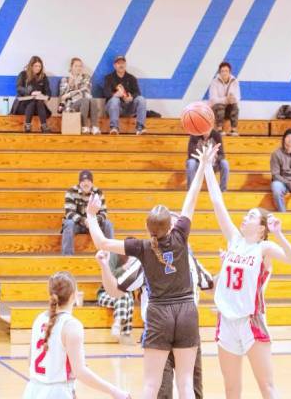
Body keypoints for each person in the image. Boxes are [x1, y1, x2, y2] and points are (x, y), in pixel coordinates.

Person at [86, 144, 217, 399]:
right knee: (187, 384)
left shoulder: (142, 248)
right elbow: (191, 199)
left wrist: (92, 216)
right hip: (188, 310)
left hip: (159, 313)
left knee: (150, 385)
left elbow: (102, 243)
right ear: (172, 226)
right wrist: (202, 166)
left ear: (148, 229)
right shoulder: (181, 237)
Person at [203, 146, 291, 398]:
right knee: (231, 388)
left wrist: (279, 234)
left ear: (261, 228)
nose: (245, 217)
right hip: (226, 320)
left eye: (252, 216)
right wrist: (206, 167)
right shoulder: (234, 240)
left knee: (266, 387)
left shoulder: (264, 247)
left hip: (251, 321)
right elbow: (216, 202)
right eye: (246, 214)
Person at [96, 211, 213, 399]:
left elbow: (210, 286)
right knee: (171, 389)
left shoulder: (190, 259)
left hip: (176, 324)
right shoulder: (149, 258)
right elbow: (117, 291)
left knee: (188, 387)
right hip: (176, 323)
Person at [23, 271, 130, 399]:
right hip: (58, 393)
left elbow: (30, 361)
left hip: (32, 391)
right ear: (74, 295)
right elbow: (81, 373)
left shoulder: (39, 319)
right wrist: (114, 391)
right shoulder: (71, 325)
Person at [61, 170, 115, 257]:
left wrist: (92, 221)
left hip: (94, 224)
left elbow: (104, 213)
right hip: (77, 224)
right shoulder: (71, 191)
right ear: (79, 183)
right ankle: (67, 257)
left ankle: (112, 256)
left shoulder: (98, 192)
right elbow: (69, 213)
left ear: (92, 183)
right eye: (83, 181)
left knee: (108, 224)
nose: (86, 184)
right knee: (69, 223)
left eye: (88, 181)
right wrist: (84, 221)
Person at [103, 55, 147, 135]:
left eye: (123, 63)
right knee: (114, 100)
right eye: (118, 63)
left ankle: (140, 127)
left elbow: (137, 92)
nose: (121, 65)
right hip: (115, 108)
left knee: (141, 99)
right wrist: (115, 94)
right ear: (114, 65)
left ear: (125, 64)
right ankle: (114, 127)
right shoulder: (108, 78)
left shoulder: (131, 78)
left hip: (128, 107)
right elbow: (105, 93)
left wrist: (131, 97)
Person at [59, 57, 100, 135]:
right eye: (76, 66)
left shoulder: (86, 77)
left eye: (80, 66)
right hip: (71, 105)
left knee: (93, 100)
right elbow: (63, 96)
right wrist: (69, 86)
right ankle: (84, 126)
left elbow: (87, 90)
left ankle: (94, 127)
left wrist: (72, 92)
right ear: (71, 67)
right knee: (85, 100)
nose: (78, 68)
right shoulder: (65, 79)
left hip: (86, 103)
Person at [13, 55, 52, 133]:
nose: (38, 68)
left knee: (38, 100)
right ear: (31, 66)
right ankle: (28, 125)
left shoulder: (43, 77)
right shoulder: (23, 74)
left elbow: (48, 92)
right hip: (23, 106)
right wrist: (31, 92)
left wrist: (43, 96)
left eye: (39, 66)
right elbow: (19, 88)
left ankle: (43, 126)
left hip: (38, 107)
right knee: (33, 100)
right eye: (36, 66)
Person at [186, 128, 230, 192]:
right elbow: (191, 154)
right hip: (199, 163)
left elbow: (222, 155)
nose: (206, 132)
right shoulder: (194, 135)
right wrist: (202, 157)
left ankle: (222, 189)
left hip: (213, 164)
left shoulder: (216, 135)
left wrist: (215, 157)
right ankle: (191, 190)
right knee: (191, 162)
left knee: (224, 163)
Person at [95, 274, 135, 343]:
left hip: (125, 297)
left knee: (128, 298)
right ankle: (124, 332)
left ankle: (118, 325)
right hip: (105, 294)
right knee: (123, 295)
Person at [209, 62, 241, 136]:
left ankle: (233, 130)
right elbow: (213, 99)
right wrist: (226, 99)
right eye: (222, 71)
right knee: (219, 106)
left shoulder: (234, 81)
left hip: (228, 107)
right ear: (219, 72)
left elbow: (238, 97)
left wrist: (233, 99)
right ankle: (219, 129)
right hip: (217, 108)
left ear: (229, 72)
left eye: (226, 71)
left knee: (235, 107)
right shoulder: (214, 82)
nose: (224, 73)